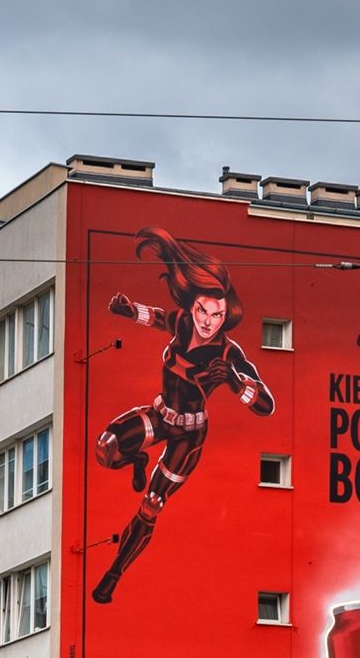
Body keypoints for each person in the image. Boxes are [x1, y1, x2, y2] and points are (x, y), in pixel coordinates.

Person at [89, 227, 274, 603]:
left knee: (151, 505)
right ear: (193, 308)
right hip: (161, 415)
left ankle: (114, 573)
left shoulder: (229, 354)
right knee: (106, 447)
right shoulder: (184, 324)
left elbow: (267, 404)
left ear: (226, 315)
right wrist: (130, 311)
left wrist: (236, 384)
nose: (208, 321)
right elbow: (160, 317)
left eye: (217, 315)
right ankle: (138, 460)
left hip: (189, 435)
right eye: (203, 311)